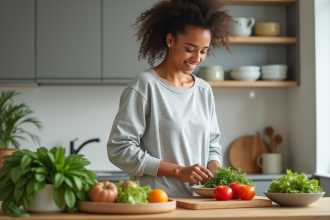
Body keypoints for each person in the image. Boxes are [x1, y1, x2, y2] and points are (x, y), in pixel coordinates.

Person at [107, 0, 234, 197]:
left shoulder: (203, 90)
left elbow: (212, 146)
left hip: (197, 203)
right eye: (190, 49)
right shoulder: (145, 85)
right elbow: (119, 149)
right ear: (170, 40)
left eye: (203, 51)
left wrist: (214, 170)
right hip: (155, 201)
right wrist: (178, 171)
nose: (197, 58)